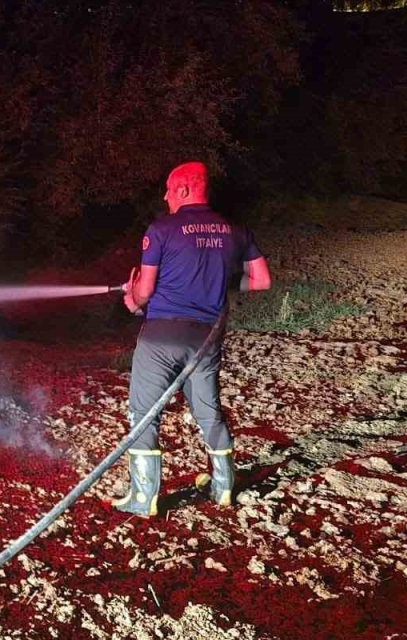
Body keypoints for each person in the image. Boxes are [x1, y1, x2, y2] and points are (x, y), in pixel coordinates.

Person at [112, 161, 272, 517]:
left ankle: (144, 496)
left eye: (169, 189)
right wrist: (220, 284)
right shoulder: (235, 229)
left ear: (184, 189)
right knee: (208, 410)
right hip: (206, 340)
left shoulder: (162, 228)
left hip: (161, 338)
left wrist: (131, 297)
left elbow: (146, 291)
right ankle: (223, 486)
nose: (165, 196)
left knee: (144, 413)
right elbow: (262, 281)